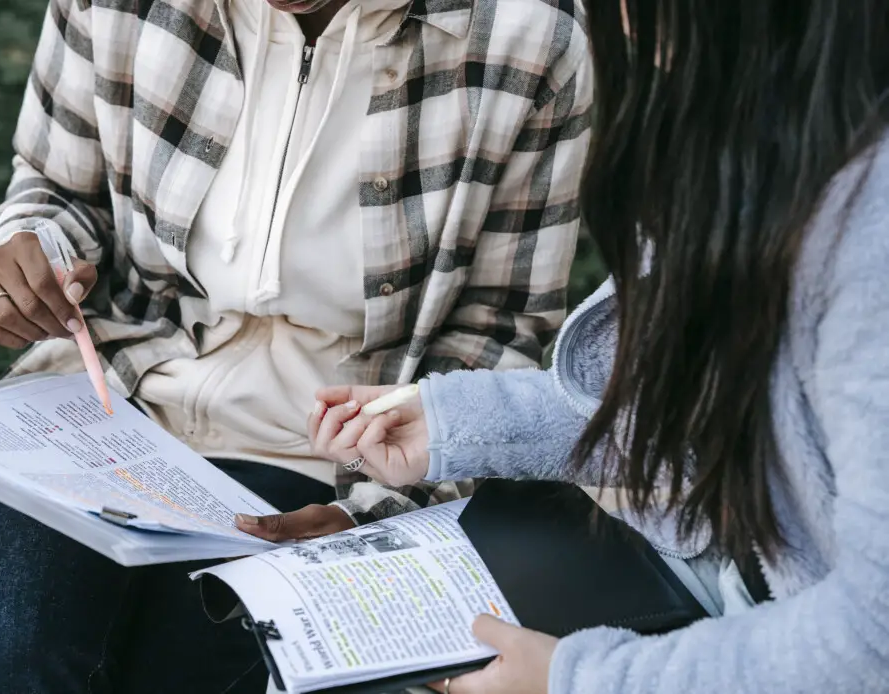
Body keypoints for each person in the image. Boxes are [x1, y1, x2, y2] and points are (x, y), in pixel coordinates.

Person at [0, 0, 592, 690]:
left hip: (323, 450)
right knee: (11, 656)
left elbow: (501, 328)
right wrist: (29, 249)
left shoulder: (529, 35)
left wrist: (370, 513)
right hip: (110, 393)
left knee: (176, 672)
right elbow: (57, 186)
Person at [299, 1, 889, 693]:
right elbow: (670, 404)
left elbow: (871, 639)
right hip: (726, 580)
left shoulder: (866, 233)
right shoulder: (749, 129)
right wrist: (447, 422)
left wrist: (574, 681)